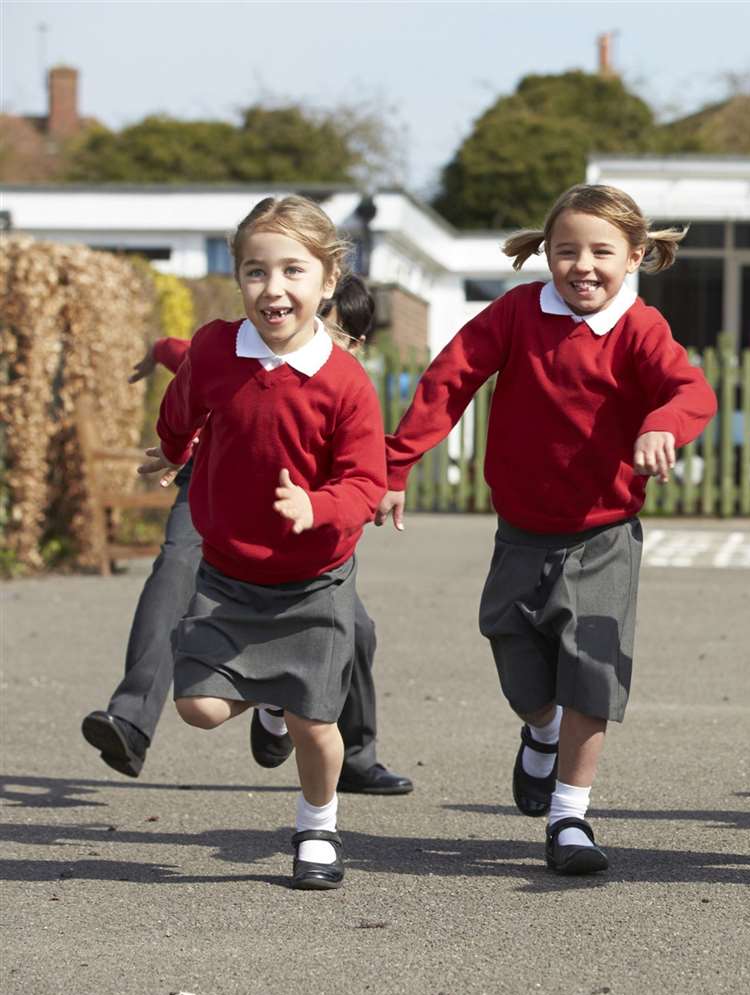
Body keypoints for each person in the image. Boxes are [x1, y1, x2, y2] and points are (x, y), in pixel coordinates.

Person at [375, 184, 716, 875]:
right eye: (567, 251)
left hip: (605, 535)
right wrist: (396, 463)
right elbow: (449, 380)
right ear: (546, 254)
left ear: (636, 256)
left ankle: (570, 818)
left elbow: (692, 393)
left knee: (592, 671)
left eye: (601, 252)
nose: (582, 266)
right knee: (522, 671)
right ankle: (541, 733)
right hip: (522, 532)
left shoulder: (640, 329)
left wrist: (662, 425)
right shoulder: (518, 313)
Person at [81, 276, 413, 797]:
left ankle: (348, 752)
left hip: (299, 509)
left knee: (358, 630)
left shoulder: (342, 387)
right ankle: (131, 718)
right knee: (175, 573)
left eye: (332, 330)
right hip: (217, 488)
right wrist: (157, 356)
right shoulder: (239, 349)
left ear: (355, 343)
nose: (310, 333)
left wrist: (376, 487)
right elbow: (184, 356)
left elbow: (364, 470)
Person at [143, 195, 387, 889]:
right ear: (238, 276)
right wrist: (170, 449)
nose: (273, 289)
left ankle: (317, 828)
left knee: (316, 724)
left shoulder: (344, 381)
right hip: (227, 575)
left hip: (314, 580)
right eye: (255, 271)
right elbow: (183, 402)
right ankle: (271, 701)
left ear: (328, 280)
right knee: (197, 707)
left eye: (292, 271)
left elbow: (364, 481)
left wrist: (319, 506)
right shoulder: (218, 348)